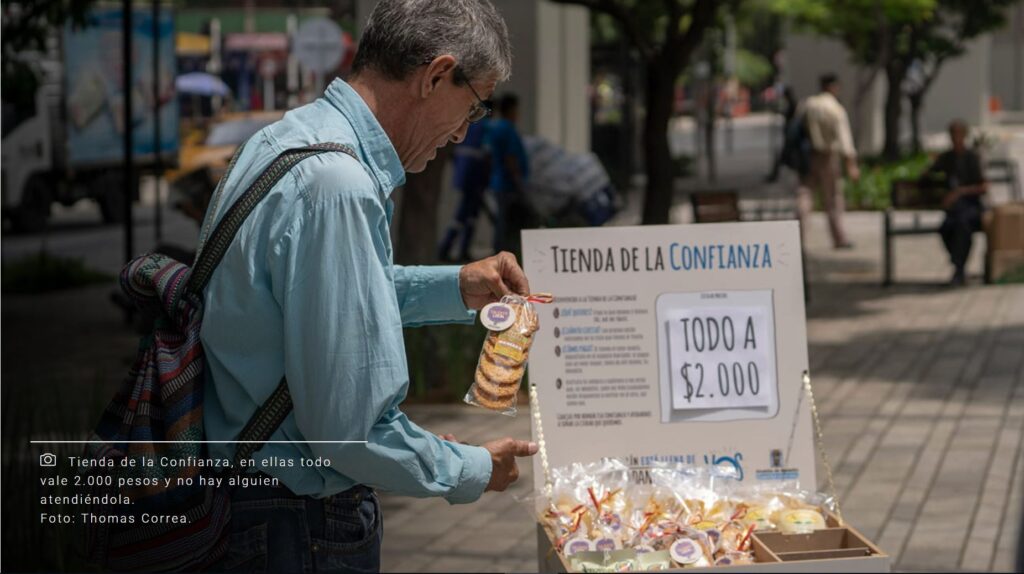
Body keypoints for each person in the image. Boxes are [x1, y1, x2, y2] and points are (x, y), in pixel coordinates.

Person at [198, 1, 537, 571]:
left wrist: (455, 286)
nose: (461, 134)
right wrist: (472, 468)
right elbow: (349, 433)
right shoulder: (339, 185)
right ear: (435, 75)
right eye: (474, 107)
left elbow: (321, 302)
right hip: (294, 522)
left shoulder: (285, 141)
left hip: (249, 499)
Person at [919, 119, 988, 286]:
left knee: (963, 226)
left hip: (971, 206)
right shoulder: (947, 158)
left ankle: (959, 268)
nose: (955, 138)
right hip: (955, 209)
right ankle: (959, 265)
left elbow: (983, 186)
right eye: (953, 134)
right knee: (946, 228)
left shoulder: (972, 157)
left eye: (958, 134)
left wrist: (960, 192)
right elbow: (928, 175)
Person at [797, 73, 860, 249]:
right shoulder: (834, 108)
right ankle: (839, 237)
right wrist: (851, 165)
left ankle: (798, 235)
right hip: (829, 156)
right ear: (833, 87)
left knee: (805, 195)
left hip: (808, 156)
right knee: (833, 198)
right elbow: (845, 140)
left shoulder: (807, 105)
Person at [438, 113, 491, 262]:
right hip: (476, 176)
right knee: (466, 215)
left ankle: (453, 248)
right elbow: (487, 152)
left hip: (464, 174)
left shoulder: (468, 122)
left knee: (466, 215)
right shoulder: (485, 126)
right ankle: (451, 248)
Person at [485, 93, 530, 254]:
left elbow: (489, 155)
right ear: (511, 110)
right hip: (507, 184)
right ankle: (502, 254)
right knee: (505, 223)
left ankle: (501, 252)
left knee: (501, 221)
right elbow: (510, 158)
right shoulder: (507, 129)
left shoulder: (495, 128)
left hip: (499, 181)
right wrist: (519, 182)